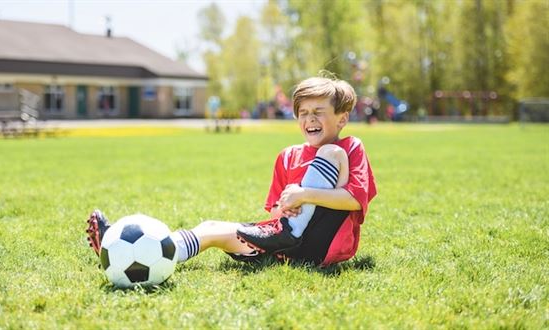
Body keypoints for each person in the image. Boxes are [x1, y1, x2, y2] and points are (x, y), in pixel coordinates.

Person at [86, 76, 377, 267]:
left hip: (322, 244)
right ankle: (124, 248)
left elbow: (354, 200)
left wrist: (303, 194)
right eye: (303, 113)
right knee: (212, 229)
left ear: (341, 119)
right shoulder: (288, 156)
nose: (309, 119)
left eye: (319, 112)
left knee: (331, 153)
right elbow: (275, 210)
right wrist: (283, 211)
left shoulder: (348, 147)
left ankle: (290, 234)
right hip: (286, 247)